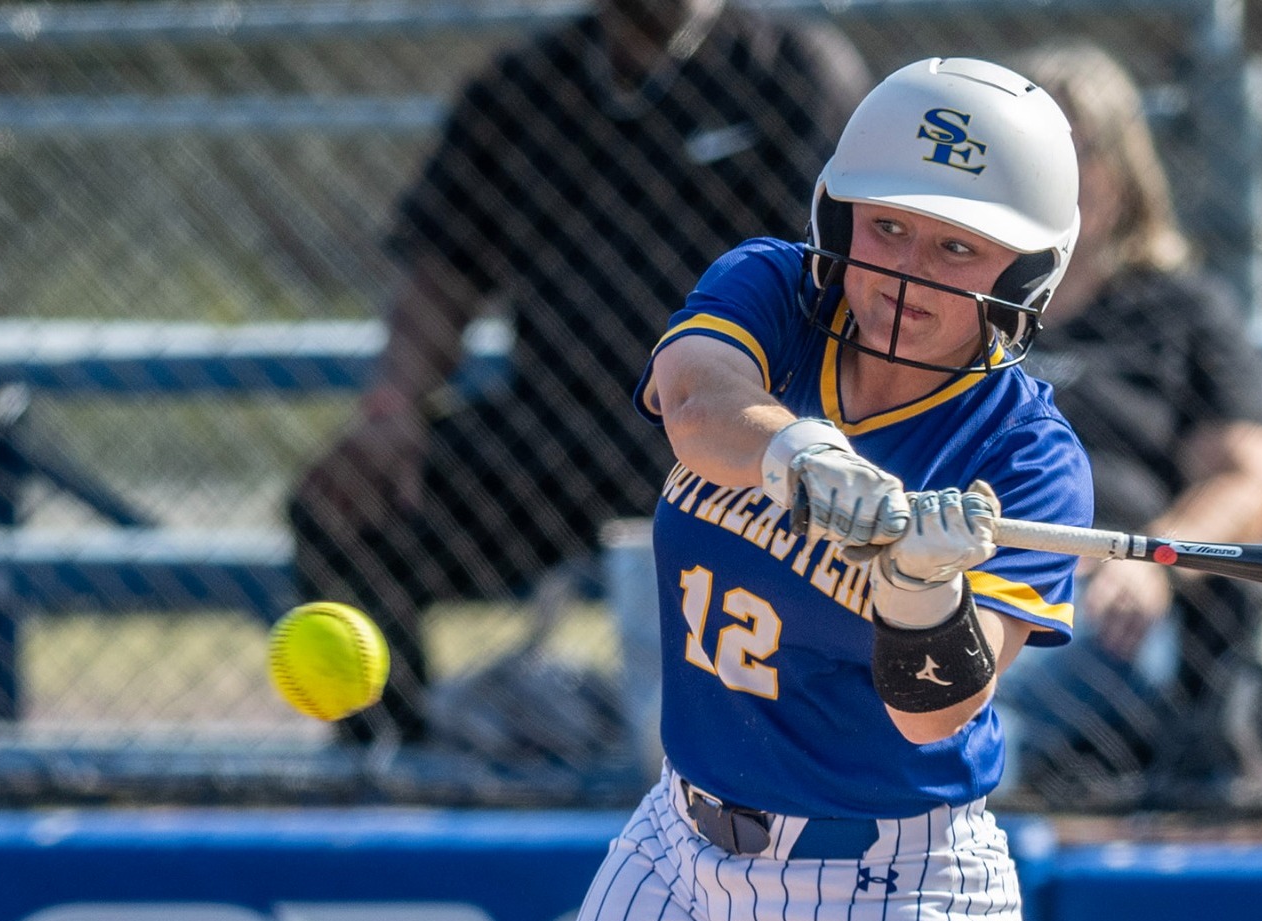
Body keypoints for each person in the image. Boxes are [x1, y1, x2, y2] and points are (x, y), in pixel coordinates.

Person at [530, 58, 1091, 921]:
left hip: (890, 897)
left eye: (958, 246)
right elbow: (693, 401)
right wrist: (803, 454)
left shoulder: (1025, 458)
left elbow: (937, 711)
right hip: (680, 846)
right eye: (888, 228)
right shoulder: (780, 290)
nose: (908, 270)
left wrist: (921, 587)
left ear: (1022, 273)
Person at [290, 0, 869, 744]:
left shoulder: (796, 72)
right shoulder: (522, 90)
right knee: (344, 509)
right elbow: (441, 273)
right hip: (557, 437)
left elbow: (849, 278)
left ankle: (792, 774)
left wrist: (794, 434)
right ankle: (395, 772)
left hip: (741, 443)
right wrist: (392, 409)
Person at [992, 43, 1262, 808]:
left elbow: (1251, 473)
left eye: (1077, 151)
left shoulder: (1176, 313)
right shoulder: (965, 313)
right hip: (959, 570)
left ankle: (949, 758)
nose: (1055, 176)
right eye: (1031, 155)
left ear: (1123, 173)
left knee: (959, 701)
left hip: (1101, 594)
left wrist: (1153, 559)